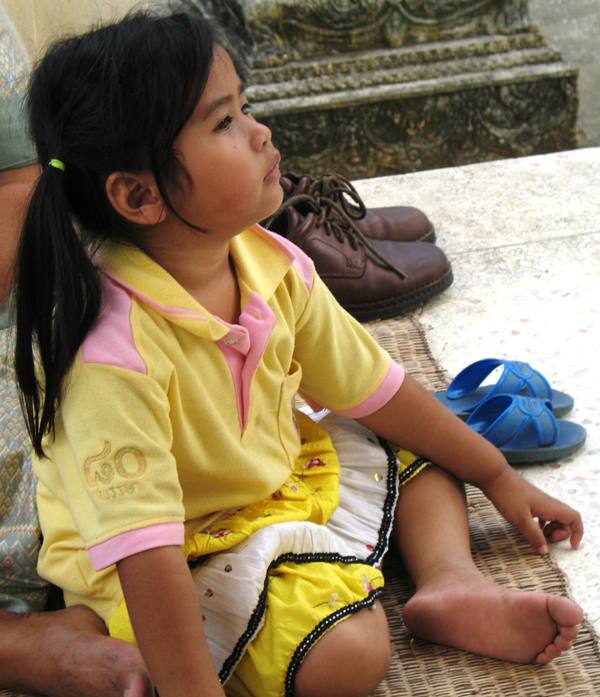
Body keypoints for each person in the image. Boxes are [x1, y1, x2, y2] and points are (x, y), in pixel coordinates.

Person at [12, 9, 584, 697]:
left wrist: (498, 476)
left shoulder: (270, 262)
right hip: (180, 550)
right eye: (224, 122)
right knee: (346, 654)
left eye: (245, 108)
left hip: (275, 480)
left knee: (412, 426)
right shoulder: (110, 355)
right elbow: (146, 555)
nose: (262, 133)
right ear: (139, 195)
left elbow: (380, 389)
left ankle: (449, 581)